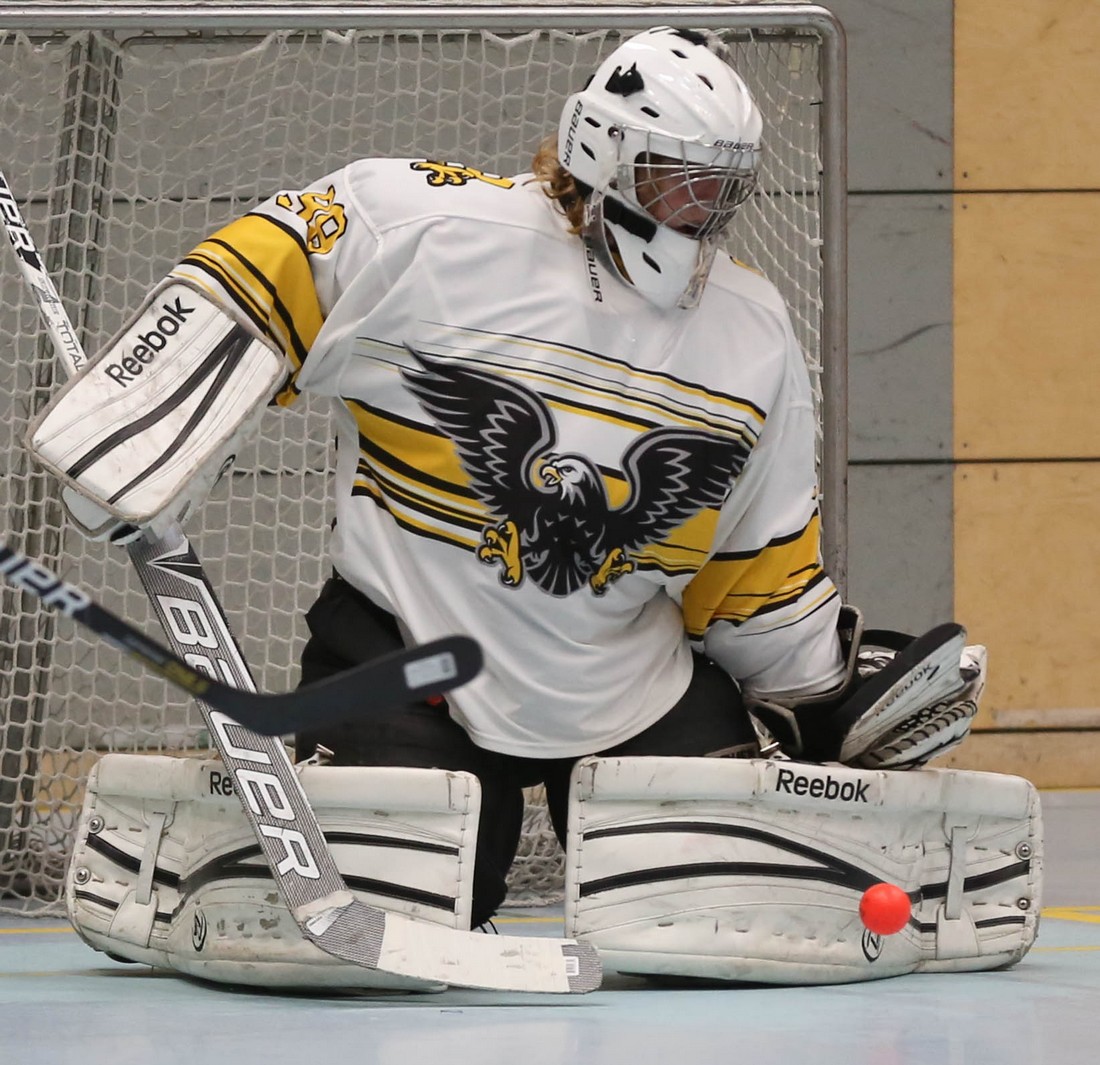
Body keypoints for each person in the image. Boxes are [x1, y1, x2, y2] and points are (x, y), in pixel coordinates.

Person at [34, 27, 980, 936]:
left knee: (710, 913)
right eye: (679, 177)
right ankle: (205, 846)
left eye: (721, 189)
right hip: (413, 656)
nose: (701, 209)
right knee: (405, 894)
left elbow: (753, 568)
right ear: (603, 150)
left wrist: (817, 694)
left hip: (630, 684)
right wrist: (148, 399)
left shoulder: (752, 328)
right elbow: (281, 249)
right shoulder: (436, 231)